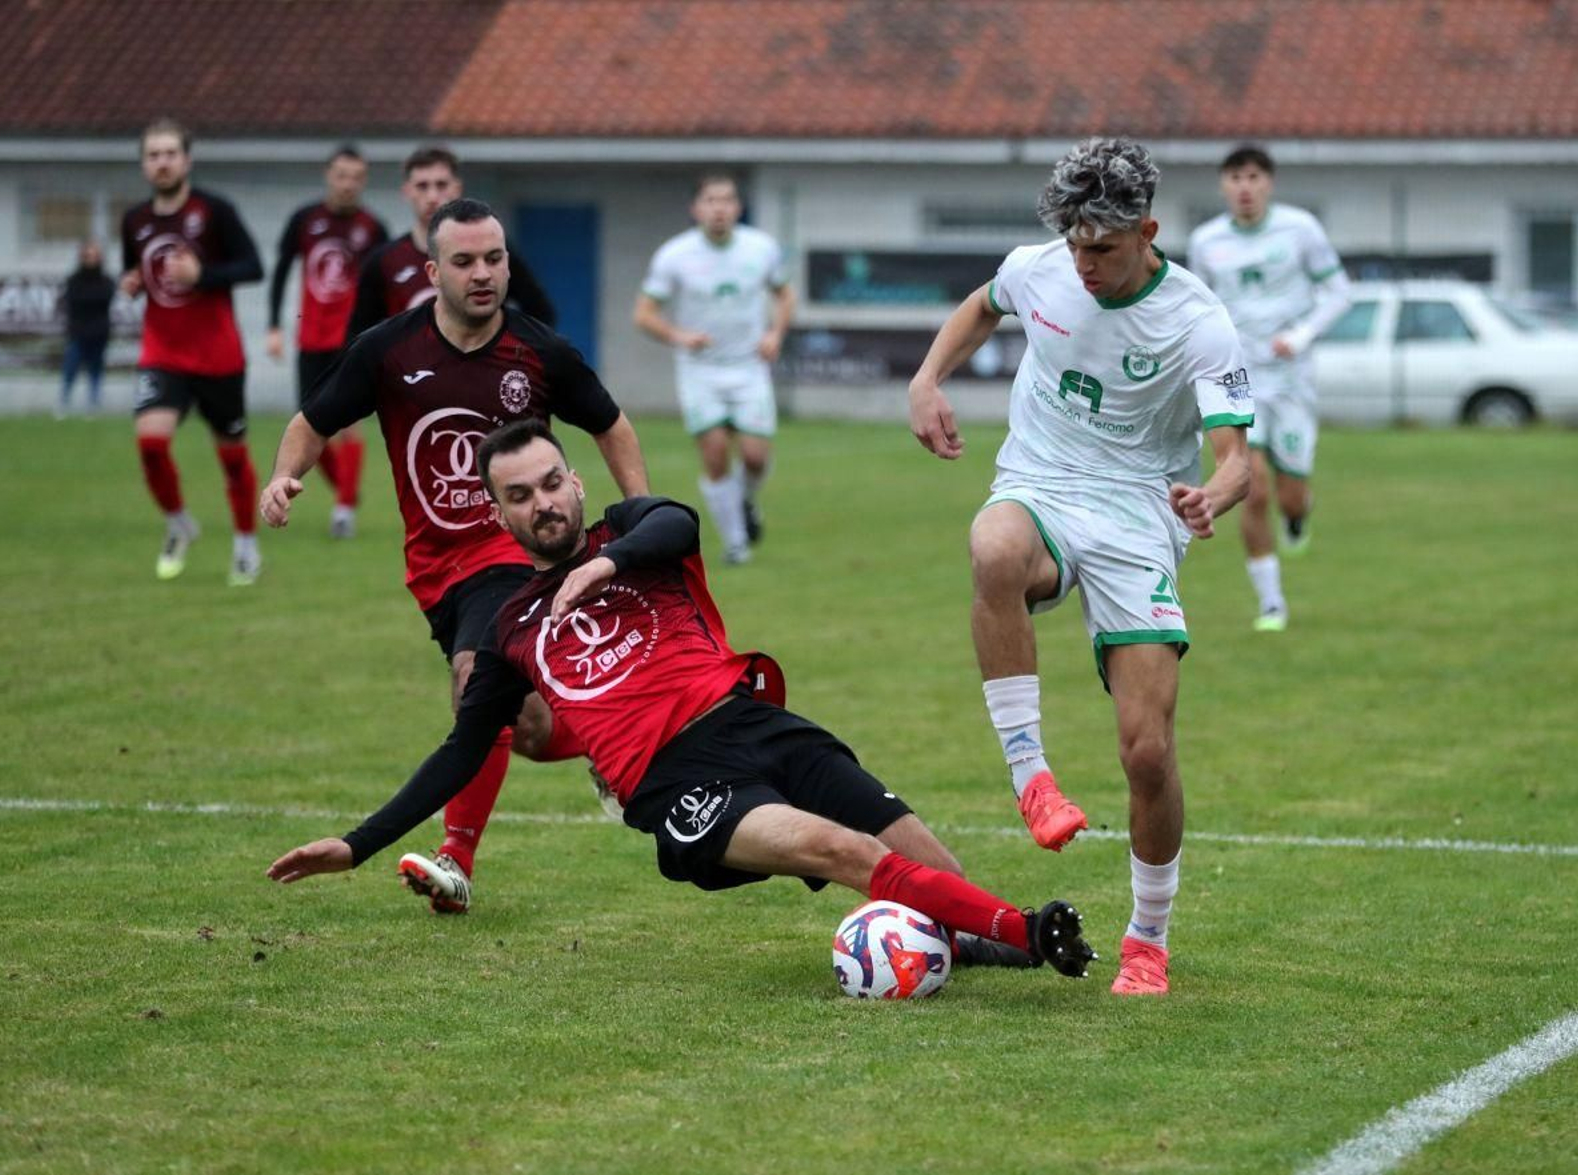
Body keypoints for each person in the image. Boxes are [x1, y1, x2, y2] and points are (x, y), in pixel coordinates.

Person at [266, 418, 1098, 982]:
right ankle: (1028, 931)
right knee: (840, 847)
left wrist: (603, 564)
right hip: (679, 784)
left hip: (755, 722)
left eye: (551, 482)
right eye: (520, 495)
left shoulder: (635, 532)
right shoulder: (511, 625)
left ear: (574, 480)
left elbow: (680, 521)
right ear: (498, 511)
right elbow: (459, 752)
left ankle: (977, 938)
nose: (543, 503)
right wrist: (356, 844)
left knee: (928, 859)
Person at [907, 137, 1254, 996]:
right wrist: (927, 378)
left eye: (1103, 247)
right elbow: (983, 304)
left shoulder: (1198, 320)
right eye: (1074, 246)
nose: (1084, 264)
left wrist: (1212, 495)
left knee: (1148, 751)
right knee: (992, 544)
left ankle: (1148, 938)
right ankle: (1032, 777)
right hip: (1043, 483)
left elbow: (1237, 458)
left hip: (1139, 512)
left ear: (1148, 232)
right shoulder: (1043, 269)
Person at [260, 197, 649, 913]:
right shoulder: (388, 350)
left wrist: (639, 518)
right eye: (465, 262)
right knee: (525, 728)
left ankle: (454, 860)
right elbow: (312, 421)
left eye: (494, 259)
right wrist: (285, 476)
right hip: (437, 570)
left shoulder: (539, 351)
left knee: (477, 676)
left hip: (517, 553)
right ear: (433, 271)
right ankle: (613, 738)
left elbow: (612, 425)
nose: (483, 274)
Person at [1186, 145, 1350, 632]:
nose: (1245, 187)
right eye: (1235, 177)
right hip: (1239, 376)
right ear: (1223, 185)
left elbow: (1339, 291)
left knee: (1290, 495)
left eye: (1254, 177)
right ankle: (1272, 603)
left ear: (1269, 183)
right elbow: (1196, 306)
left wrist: (1301, 335)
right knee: (1251, 486)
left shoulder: (1300, 229)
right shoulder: (1206, 241)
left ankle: (1298, 515)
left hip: (1292, 377)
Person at [120, 117, 265, 585]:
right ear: (144, 164)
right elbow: (138, 269)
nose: (161, 162)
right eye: (153, 155)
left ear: (186, 160)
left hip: (218, 357)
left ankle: (245, 544)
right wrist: (133, 281)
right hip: (162, 352)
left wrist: (202, 275)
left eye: (170, 153)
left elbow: (253, 266)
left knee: (232, 458)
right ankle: (179, 522)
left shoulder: (215, 211)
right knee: (150, 443)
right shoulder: (135, 220)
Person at [634, 173, 794, 565]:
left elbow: (785, 294)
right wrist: (679, 336)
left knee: (755, 457)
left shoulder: (761, 248)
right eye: (710, 200)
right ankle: (737, 544)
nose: (719, 208)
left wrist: (775, 334)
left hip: (749, 367)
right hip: (700, 370)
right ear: (696, 208)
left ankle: (745, 501)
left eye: (726, 200)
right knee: (716, 451)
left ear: (738, 207)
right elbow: (644, 314)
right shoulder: (675, 255)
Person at [265, 145, 389, 538]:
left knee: (350, 425)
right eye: (341, 175)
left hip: (352, 341)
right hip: (311, 338)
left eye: (356, 177)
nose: (348, 184)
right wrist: (273, 326)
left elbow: (384, 286)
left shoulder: (374, 227)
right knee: (309, 425)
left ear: (364, 181)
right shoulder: (305, 220)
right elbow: (281, 271)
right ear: (328, 176)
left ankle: (344, 511)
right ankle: (347, 492)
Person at [344, 145, 556, 340]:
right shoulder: (383, 261)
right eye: (422, 186)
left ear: (457, 188)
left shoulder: (493, 252)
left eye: (441, 185)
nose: (432, 196)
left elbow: (541, 313)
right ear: (407, 191)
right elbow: (358, 335)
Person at [58, 240, 116, 417]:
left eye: (94, 256)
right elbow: (75, 301)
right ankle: (63, 403)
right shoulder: (73, 280)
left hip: (99, 333)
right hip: (78, 333)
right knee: (70, 368)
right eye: (88, 256)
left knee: (95, 370)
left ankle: (93, 404)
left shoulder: (106, 281)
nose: (91, 259)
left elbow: (103, 299)